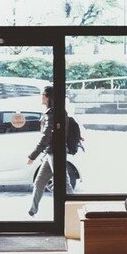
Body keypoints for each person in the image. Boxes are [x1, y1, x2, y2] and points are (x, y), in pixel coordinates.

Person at [27, 85, 73, 216]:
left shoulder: (51, 114)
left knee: (65, 184)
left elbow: (46, 137)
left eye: (43, 94)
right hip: (51, 153)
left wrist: (33, 155)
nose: (41, 97)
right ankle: (32, 210)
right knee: (39, 182)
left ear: (48, 98)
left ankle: (76, 207)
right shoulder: (56, 112)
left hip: (55, 153)